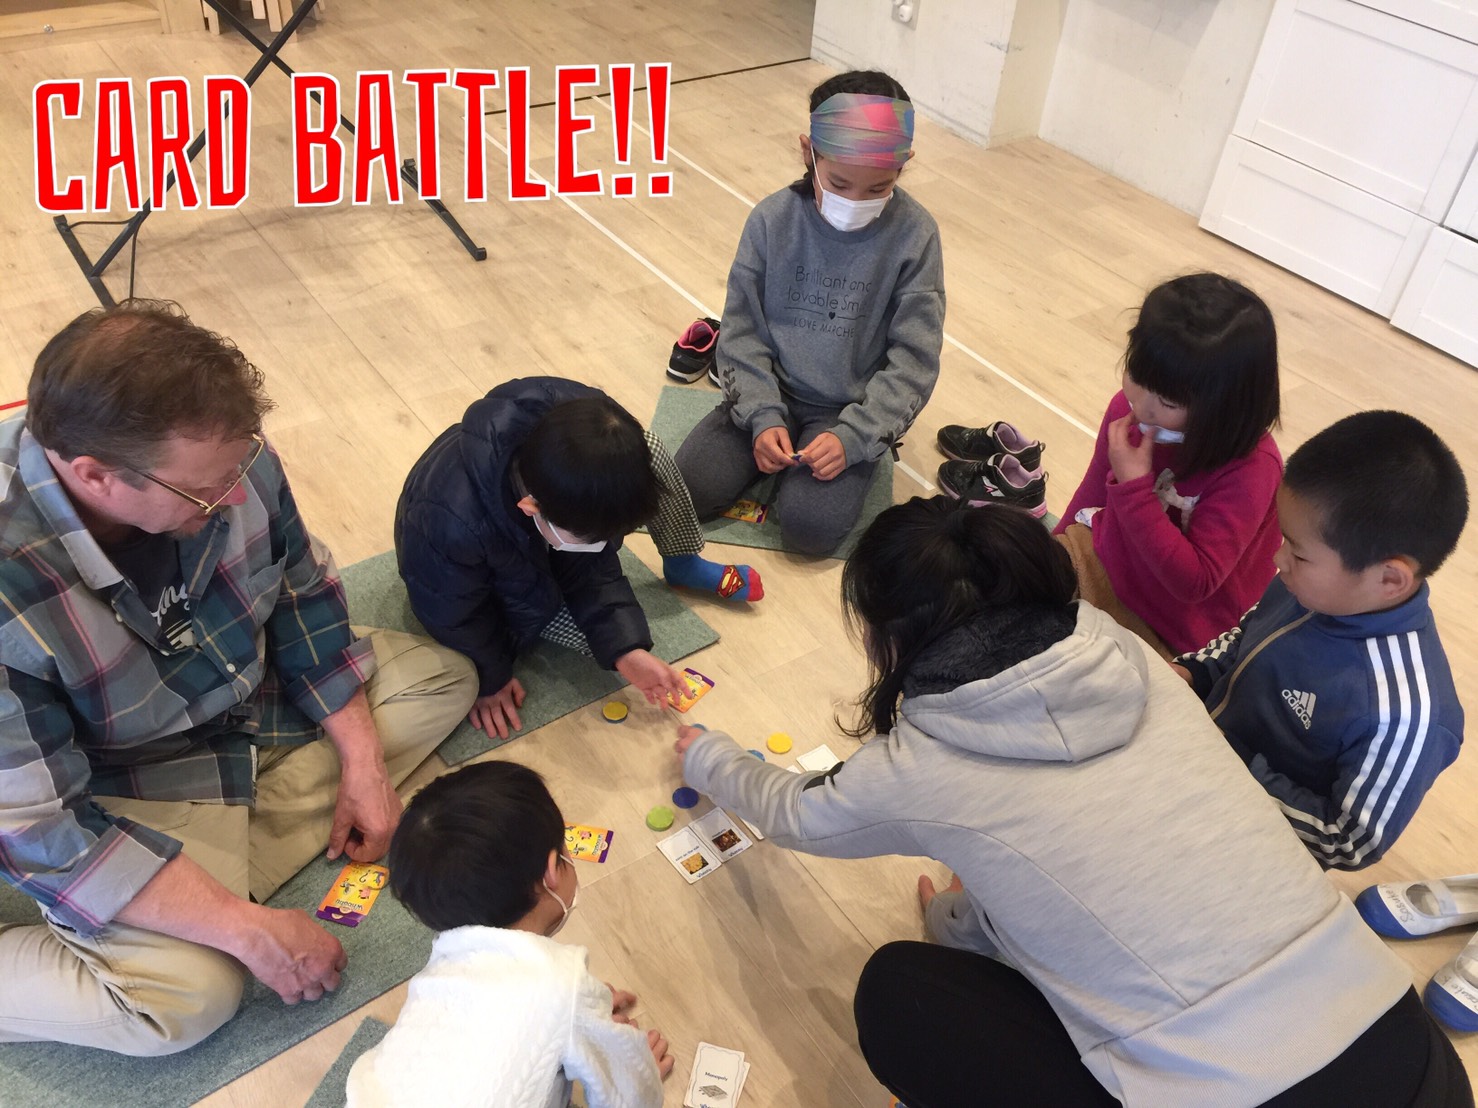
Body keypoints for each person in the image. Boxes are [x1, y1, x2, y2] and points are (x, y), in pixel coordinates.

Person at [674, 497, 1471, 1107]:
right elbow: (1073, 858)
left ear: (890, 639)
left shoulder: (913, 768)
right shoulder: (1125, 651)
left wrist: (706, 754)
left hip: (1242, 1094)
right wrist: (972, 922)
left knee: (896, 993)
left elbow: (795, 813)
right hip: (1416, 1058)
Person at [0, 301, 478, 1056]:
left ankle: (198, 873)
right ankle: (194, 891)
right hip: (116, 775)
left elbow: (302, 594)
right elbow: (43, 831)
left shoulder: (225, 461)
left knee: (442, 680)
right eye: (205, 493)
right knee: (189, 1001)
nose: (232, 495)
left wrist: (362, 761)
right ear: (94, 475)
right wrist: (247, 931)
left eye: (238, 467)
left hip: (239, 702)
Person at [1175, 411, 1467, 870]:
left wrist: (1218, 756)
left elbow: (1346, 841)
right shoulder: (1309, 587)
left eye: (1298, 551)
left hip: (1246, 852)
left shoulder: (1406, 716)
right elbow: (1244, 637)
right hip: (1188, 763)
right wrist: (1191, 672)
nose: (1278, 559)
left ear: (1389, 579)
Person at [673, 69, 946, 555]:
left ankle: (857, 452)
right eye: (838, 183)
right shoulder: (771, 220)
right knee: (687, 490)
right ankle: (771, 439)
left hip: (848, 409)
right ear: (808, 153)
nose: (854, 202)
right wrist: (761, 414)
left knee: (809, 530)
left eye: (878, 188)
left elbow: (914, 360)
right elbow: (741, 331)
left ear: (903, 166)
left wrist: (855, 437)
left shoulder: (916, 235)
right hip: (769, 387)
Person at [345, 760, 672, 1106]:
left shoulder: (437, 973)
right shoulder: (563, 983)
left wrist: (581, 1010)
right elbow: (628, 1093)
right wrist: (635, 1063)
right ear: (552, 871)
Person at [396, 377, 701, 742]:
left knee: (570, 577)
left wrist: (626, 649)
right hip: (445, 563)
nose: (602, 546)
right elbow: (452, 614)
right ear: (531, 507)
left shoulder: (598, 444)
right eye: (588, 539)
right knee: (510, 620)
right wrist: (490, 677)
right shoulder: (451, 526)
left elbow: (593, 567)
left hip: (514, 528)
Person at [1024, 272, 1282, 656]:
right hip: (1108, 565)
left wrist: (1135, 489)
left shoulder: (1253, 468)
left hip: (1178, 630)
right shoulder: (1127, 409)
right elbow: (1089, 497)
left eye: (1168, 402)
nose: (1142, 405)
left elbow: (1195, 583)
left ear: (1225, 407)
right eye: (1136, 374)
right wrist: (1048, 559)